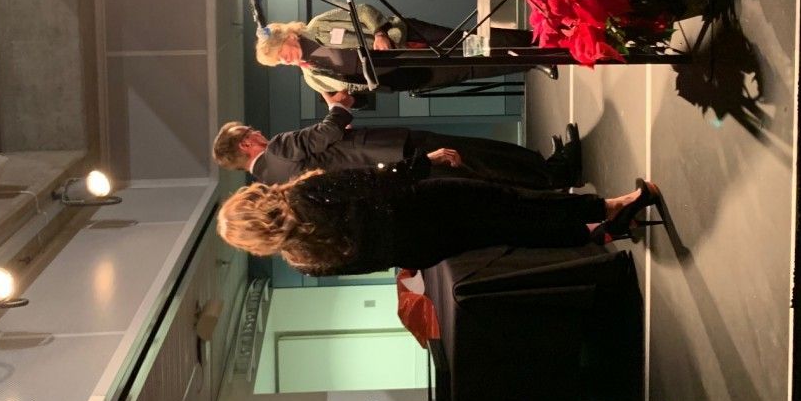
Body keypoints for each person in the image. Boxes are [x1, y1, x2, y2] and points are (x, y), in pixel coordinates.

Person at [217, 158, 664, 276]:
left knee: (511, 232)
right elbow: (375, 182)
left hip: (421, 248)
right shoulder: (304, 193)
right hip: (424, 206)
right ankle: (610, 207)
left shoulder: (301, 261)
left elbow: (369, 262)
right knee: (513, 204)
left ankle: (602, 233)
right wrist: (423, 163)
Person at [214, 90, 583, 188]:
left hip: (392, 172)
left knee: (477, 171)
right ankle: (554, 173)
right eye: (250, 133)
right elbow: (326, 132)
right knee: (477, 155)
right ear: (245, 144)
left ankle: (546, 169)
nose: (257, 132)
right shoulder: (278, 148)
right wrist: (338, 106)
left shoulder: (273, 183)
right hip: (393, 150)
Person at [255, 2, 545, 95]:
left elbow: (363, 10)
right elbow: (349, 92)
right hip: (404, 74)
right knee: (468, 70)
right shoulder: (313, 77)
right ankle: (531, 61)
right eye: (280, 63)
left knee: (470, 43)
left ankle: (538, 41)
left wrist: (379, 33)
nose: (285, 61)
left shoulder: (319, 25)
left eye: (281, 55)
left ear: (286, 37)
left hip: (406, 39)